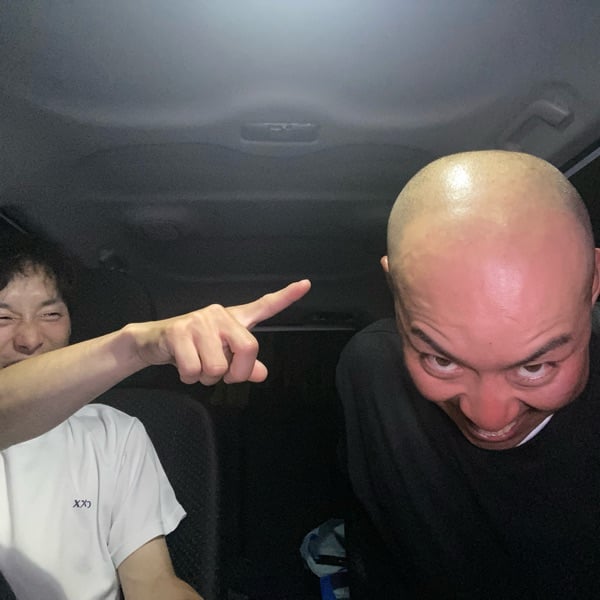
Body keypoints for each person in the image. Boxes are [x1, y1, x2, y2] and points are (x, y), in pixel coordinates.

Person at [336, 150, 600, 598]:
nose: (488, 418)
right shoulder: (371, 374)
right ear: (395, 288)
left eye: (534, 366)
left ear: (593, 283)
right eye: (442, 361)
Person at [0, 235, 311, 599]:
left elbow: (150, 581)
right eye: (3, 317)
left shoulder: (113, 432)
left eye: (51, 314)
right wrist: (134, 347)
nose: (30, 338)